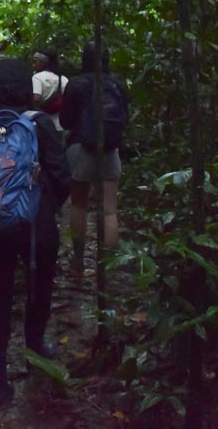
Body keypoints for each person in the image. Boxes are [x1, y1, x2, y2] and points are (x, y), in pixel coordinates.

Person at [0, 58, 71, 406]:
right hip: (35, 226)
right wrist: (44, 206)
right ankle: (35, 349)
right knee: (37, 290)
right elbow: (62, 175)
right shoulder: (40, 123)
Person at [59, 41, 129, 274]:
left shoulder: (76, 85)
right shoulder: (117, 84)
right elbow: (125, 119)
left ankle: (78, 259)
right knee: (110, 209)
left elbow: (66, 121)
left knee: (78, 204)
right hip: (110, 150)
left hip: (81, 148)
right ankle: (108, 265)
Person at [31, 50, 68, 131]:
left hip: (43, 124)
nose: (33, 65)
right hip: (60, 125)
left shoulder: (37, 77)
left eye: (35, 62)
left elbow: (36, 98)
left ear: (42, 63)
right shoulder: (63, 78)